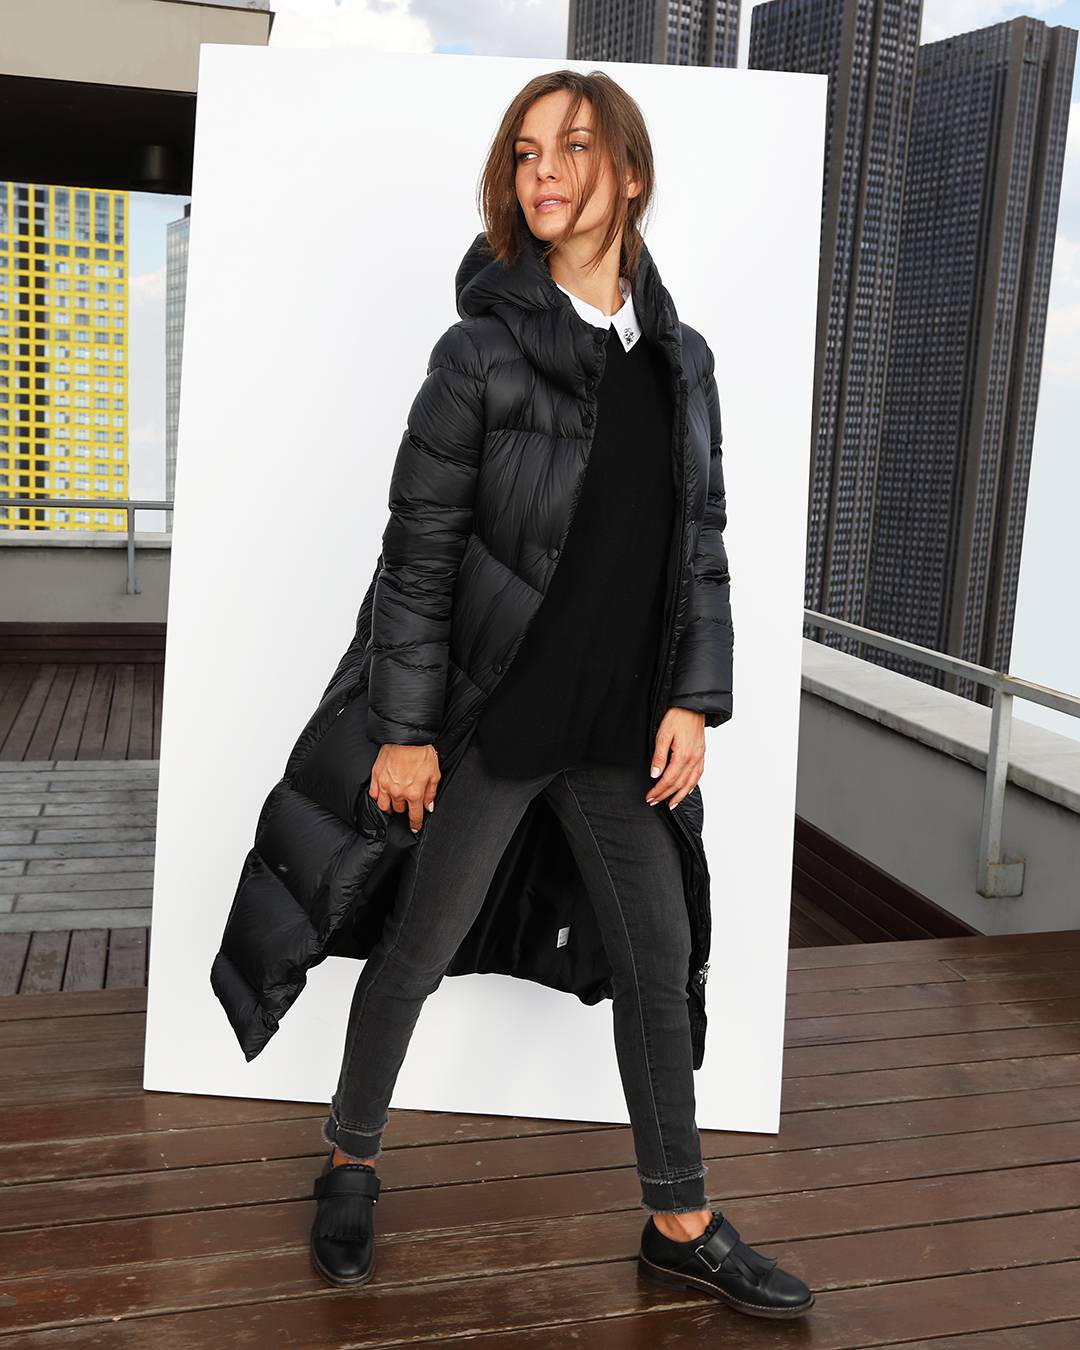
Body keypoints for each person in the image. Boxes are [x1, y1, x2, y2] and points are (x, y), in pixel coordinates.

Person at [211, 68, 813, 1320]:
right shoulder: (478, 352)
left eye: (574, 147)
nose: (544, 170)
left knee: (662, 960)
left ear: (630, 176)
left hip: (619, 728)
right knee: (417, 948)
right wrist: (405, 731)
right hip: (494, 721)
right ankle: (350, 1158)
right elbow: (417, 557)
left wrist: (694, 700)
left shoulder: (682, 363)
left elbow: (699, 544)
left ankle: (680, 1219)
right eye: (527, 151)